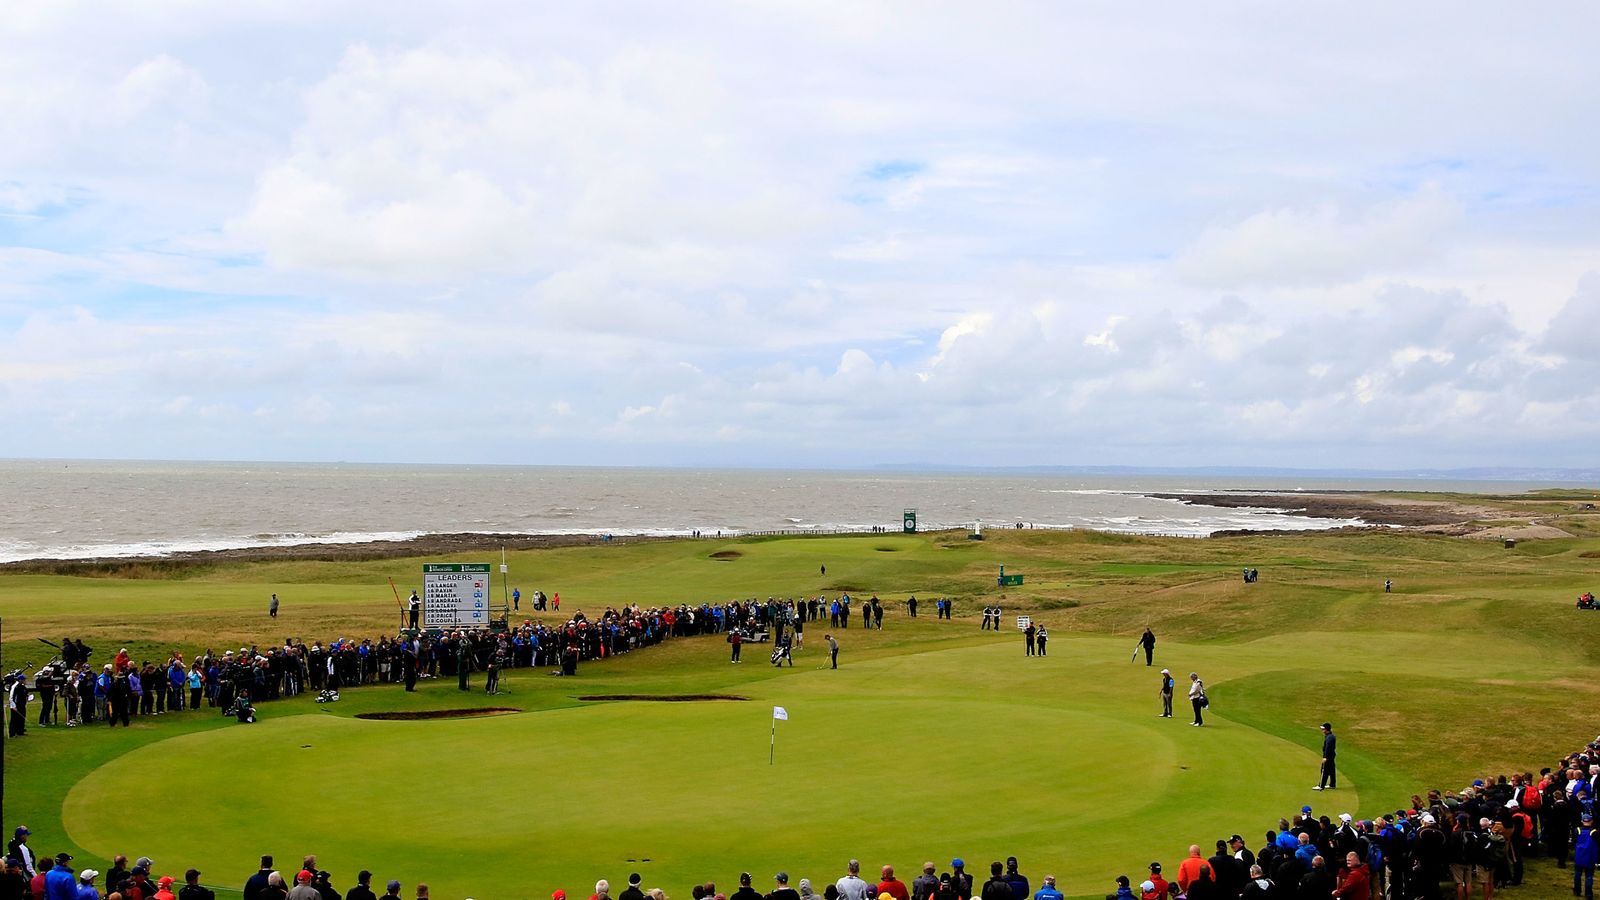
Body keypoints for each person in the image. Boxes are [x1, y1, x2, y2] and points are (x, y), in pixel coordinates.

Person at [1576, 813, 1597, 900]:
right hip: (1590, 857)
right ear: (1591, 821)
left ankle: (1577, 891)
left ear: (1582, 821)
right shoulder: (1594, 832)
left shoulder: (1577, 830)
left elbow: (1574, 840)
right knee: (1589, 876)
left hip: (1579, 856)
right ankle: (1588, 894)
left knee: (1577, 874)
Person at [1315, 722, 1338, 790]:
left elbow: (1328, 748)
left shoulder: (1330, 738)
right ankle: (1332, 784)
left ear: (1326, 729)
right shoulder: (1330, 736)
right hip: (1331, 756)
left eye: (1323, 729)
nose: (1322, 731)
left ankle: (1321, 786)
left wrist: (1325, 757)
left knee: (1324, 770)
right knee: (1331, 770)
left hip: (1328, 756)